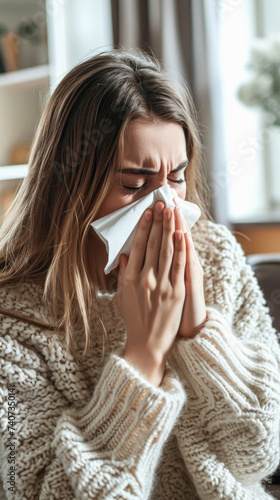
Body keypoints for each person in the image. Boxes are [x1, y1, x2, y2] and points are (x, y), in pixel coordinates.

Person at [0, 48, 279, 500]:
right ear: (70, 186)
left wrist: (199, 334)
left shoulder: (218, 259)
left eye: (177, 178)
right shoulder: (14, 321)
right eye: (134, 185)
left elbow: (259, 453)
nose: (166, 206)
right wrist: (144, 357)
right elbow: (26, 489)